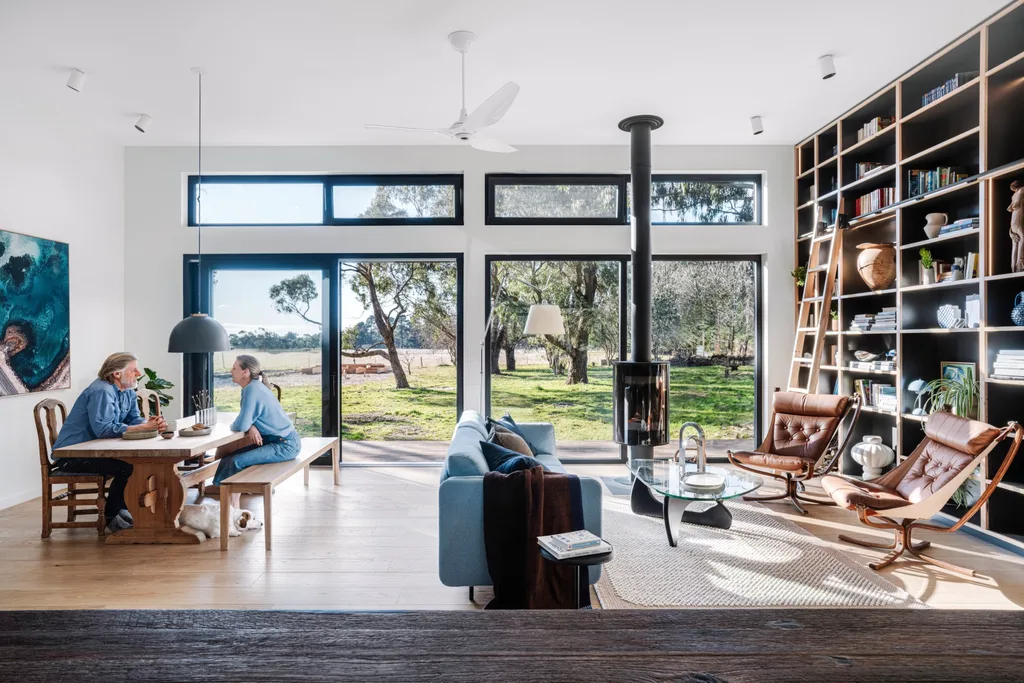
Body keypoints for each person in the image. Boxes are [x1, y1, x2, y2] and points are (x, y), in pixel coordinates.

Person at [51, 352, 167, 532]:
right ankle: (113, 516)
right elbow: (104, 430)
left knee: (137, 464)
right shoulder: (101, 391)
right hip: (71, 456)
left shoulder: (127, 390)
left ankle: (126, 511)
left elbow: (134, 418)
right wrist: (143, 428)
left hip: (95, 452)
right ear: (117, 374)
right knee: (128, 467)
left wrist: (150, 423)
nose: (138, 373)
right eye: (133, 369)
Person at [214, 355, 300, 513]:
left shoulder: (251, 389)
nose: (230, 371)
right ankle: (230, 502)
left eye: (234, 368)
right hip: (274, 441)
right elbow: (248, 420)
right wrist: (251, 426)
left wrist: (248, 425)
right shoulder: (253, 386)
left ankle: (231, 507)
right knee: (228, 457)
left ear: (245, 372)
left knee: (236, 461)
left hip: (285, 445)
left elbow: (240, 424)